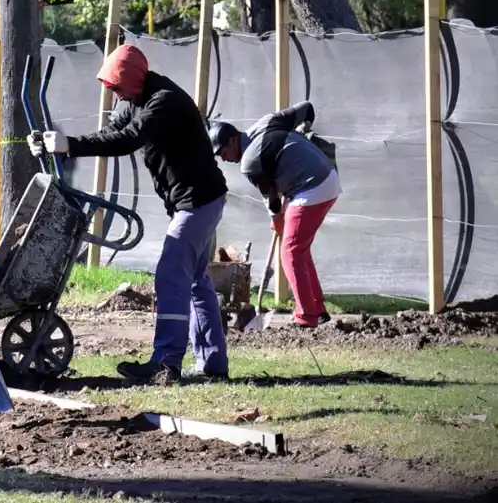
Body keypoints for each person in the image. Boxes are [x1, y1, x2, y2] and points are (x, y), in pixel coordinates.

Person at [28, 44, 230, 384]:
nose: (113, 93)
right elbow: (110, 133)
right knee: (195, 281)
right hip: (197, 200)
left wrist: (71, 145)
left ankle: (166, 363)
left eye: (116, 86)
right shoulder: (135, 99)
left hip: (198, 202)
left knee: (171, 276)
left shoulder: (164, 101)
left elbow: (127, 140)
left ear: (133, 79)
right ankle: (212, 364)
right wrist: (60, 145)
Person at [209, 101, 340, 328]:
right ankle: (317, 308)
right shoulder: (267, 122)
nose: (224, 158)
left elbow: (271, 200)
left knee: (290, 252)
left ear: (232, 140)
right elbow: (307, 108)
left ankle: (306, 317)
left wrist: (277, 219)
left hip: (311, 187)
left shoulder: (249, 162)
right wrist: (305, 126)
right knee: (298, 248)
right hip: (324, 177)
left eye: (223, 152)